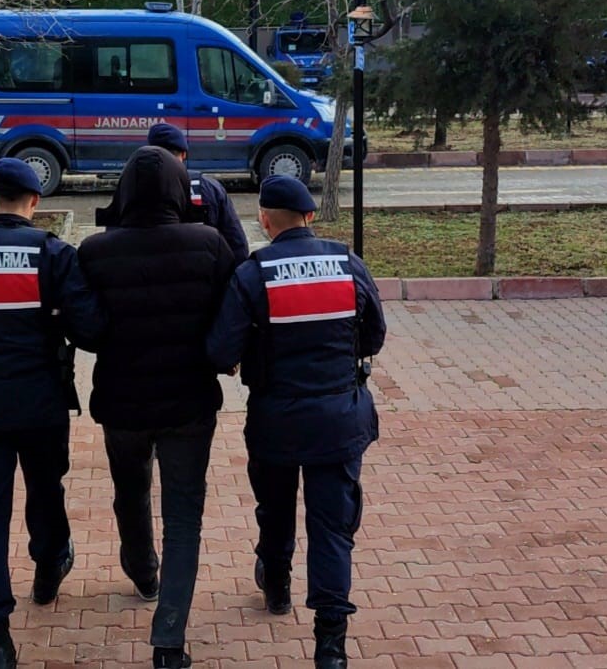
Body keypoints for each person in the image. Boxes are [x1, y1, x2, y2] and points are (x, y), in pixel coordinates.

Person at [205, 175, 387, 669]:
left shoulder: (253, 273)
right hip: (338, 421)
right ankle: (331, 643)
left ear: (264, 221)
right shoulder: (348, 263)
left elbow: (220, 350)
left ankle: (278, 585)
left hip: (276, 421)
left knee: (276, 507)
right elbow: (373, 336)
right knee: (332, 529)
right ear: (310, 216)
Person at [0, 158, 106, 669]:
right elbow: (89, 331)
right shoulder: (54, 253)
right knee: (45, 488)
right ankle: (49, 562)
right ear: (35, 203)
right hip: (40, 403)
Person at [78, 145, 237, 669]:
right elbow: (227, 314)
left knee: (130, 491)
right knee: (184, 514)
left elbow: (89, 330)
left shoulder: (95, 251)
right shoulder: (211, 244)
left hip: (122, 402)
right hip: (189, 402)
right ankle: (169, 639)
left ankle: (142, 570)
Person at [145, 123, 249, 260]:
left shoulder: (134, 188)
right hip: (206, 275)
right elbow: (237, 245)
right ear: (183, 154)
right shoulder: (210, 188)